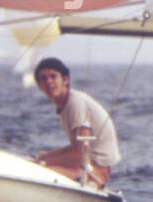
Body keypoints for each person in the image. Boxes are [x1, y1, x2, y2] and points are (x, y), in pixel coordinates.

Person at [32, 57, 120, 187]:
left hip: (95, 172)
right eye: (43, 79)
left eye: (53, 76)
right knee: (37, 162)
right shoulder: (65, 105)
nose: (49, 82)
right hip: (86, 165)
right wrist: (45, 157)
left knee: (36, 171)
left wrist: (43, 162)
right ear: (39, 85)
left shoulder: (75, 103)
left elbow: (80, 153)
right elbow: (78, 147)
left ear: (65, 80)